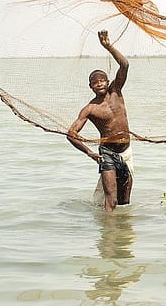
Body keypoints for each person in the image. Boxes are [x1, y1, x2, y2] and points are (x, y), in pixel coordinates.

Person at [67, 30, 133, 211]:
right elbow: (71, 134)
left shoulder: (116, 92)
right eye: (95, 82)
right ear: (91, 87)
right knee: (110, 200)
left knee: (124, 202)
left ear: (108, 81)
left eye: (102, 80)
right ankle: (107, 238)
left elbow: (125, 65)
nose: (100, 84)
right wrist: (89, 152)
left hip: (126, 151)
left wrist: (108, 46)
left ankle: (120, 234)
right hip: (107, 153)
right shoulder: (90, 109)